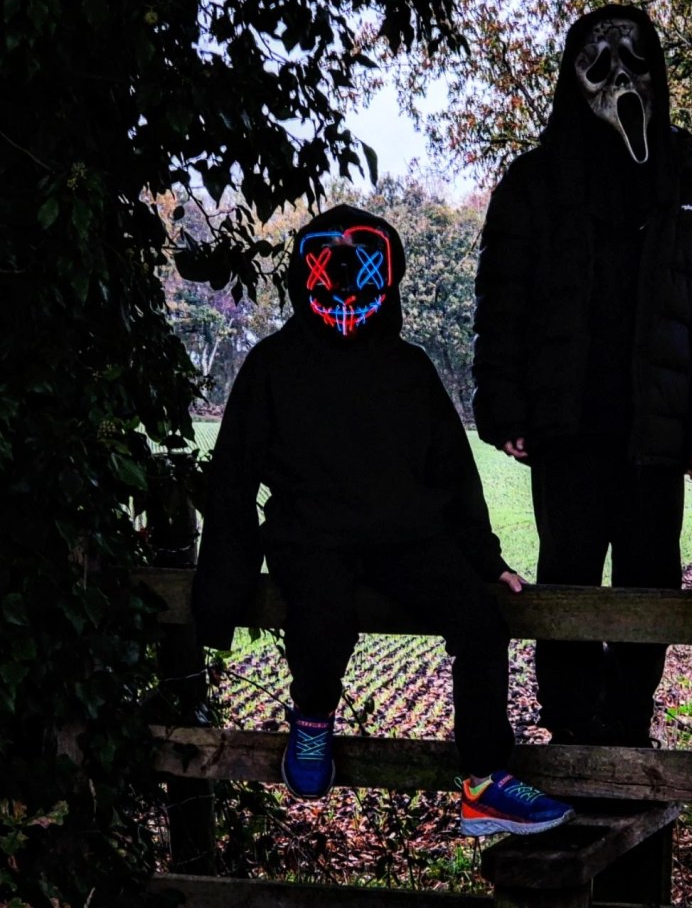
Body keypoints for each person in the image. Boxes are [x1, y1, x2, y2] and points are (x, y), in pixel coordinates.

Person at [191, 203, 575, 836]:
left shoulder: (410, 368)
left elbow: (454, 476)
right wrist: (221, 591)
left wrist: (486, 561)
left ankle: (484, 784)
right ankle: (311, 721)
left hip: (405, 538)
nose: (344, 285)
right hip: (309, 536)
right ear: (306, 274)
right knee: (321, 614)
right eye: (330, 267)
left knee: (479, 618)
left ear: (385, 276)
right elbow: (232, 479)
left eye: (360, 268)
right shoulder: (271, 365)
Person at [472, 4, 692, 748]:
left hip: (653, 427)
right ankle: (572, 728)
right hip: (569, 423)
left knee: (652, 579)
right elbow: (504, 300)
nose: (620, 74)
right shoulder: (532, 184)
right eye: (598, 59)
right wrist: (505, 405)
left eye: (634, 57)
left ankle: (625, 726)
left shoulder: (688, 183)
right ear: (571, 76)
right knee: (567, 578)